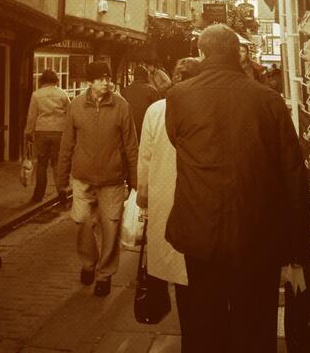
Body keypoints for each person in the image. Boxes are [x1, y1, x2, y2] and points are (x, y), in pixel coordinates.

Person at [165, 24, 310, 353]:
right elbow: (293, 175)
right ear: (237, 54)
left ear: (201, 53)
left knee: (205, 321)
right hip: (258, 233)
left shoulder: (178, 96)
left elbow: (177, 140)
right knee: (256, 326)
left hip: (200, 232)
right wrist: (298, 251)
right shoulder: (269, 100)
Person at [56, 60, 138, 297]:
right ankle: (88, 262)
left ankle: (104, 274)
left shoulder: (121, 106)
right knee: (81, 221)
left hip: (112, 179)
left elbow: (131, 146)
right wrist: (61, 179)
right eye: (101, 79)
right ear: (89, 82)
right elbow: (67, 144)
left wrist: (135, 180)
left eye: (109, 78)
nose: (107, 83)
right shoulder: (76, 106)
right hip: (82, 178)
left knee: (110, 226)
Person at [136, 57, 201, 352]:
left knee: (175, 267)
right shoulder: (205, 106)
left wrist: (144, 196)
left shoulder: (157, 110)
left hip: (164, 198)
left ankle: (191, 332)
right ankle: (194, 335)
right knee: (194, 276)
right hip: (196, 201)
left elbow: (145, 157)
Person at [24, 69, 70, 203]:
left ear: (42, 80)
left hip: (41, 132)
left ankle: (38, 195)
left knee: (42, 164)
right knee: (57, 163)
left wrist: (28, 132)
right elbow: (69, 114)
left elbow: (32, 115)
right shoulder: (63, 94)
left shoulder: (36, 95)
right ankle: (62, 192)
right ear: (56, 80)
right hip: (59, 132)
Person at [121, 64, 159, 141]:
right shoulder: (152, 91)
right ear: (146, 76)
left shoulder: (125, 91)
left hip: (129, 128)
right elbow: (158, 112)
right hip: (147, 128)